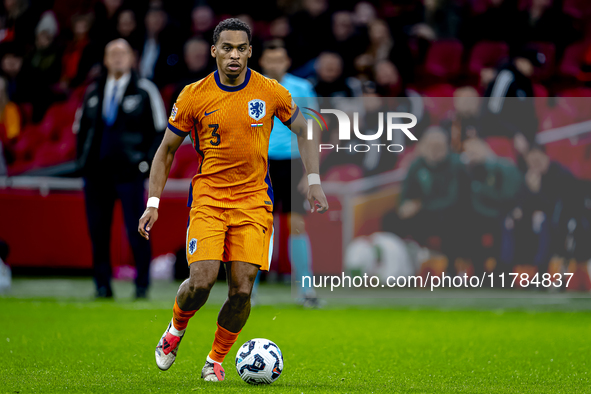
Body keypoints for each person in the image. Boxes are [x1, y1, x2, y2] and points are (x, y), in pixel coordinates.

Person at [139, 19, 328, 382]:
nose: (235, 55)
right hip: (209, 198)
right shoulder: (193, 94)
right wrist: (153, 204)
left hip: (254, 200)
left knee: (242, 291)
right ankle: (175, 330)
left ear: (250, 52)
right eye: (227, 48)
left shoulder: (270, 91)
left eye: (242, 48)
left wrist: (314, 180)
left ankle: (214, 360)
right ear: (214, 51)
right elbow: (165, 152)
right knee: (202, 282)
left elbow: (306, 129)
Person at [76, 39, 167, 299]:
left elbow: (160, 131)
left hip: (129, 173)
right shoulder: (93, 91)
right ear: (105, 60)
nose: (117, 58)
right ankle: (102, 285)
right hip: (97, 173)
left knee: (137, 229)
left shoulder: (145, 90)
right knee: (98, 230)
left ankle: (142, 284)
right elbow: (81, 131)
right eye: (111, 53)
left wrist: (146, 164)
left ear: (132, 58)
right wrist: (84, 162)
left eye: (122, 53)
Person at [257, 40, 320, 306]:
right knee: (259, 228)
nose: (274, 65)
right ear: (262, 62)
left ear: (287, 62)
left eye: (279, 60)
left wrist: (311, 173)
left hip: (294, 164)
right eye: (270, 60)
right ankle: (247, 293)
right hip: (260, 164)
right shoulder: (251, 86)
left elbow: (313, 130)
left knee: (297, 226)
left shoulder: (302, 88)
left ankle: (306, 291)